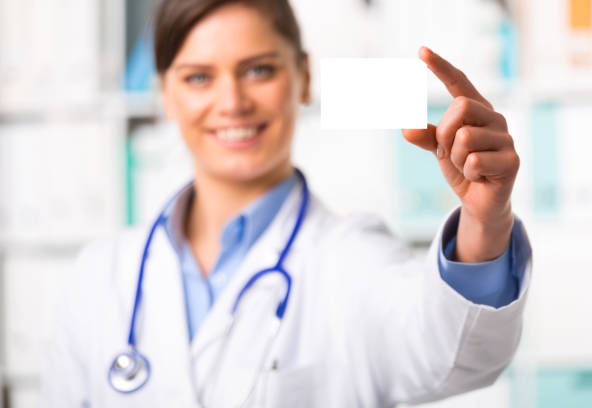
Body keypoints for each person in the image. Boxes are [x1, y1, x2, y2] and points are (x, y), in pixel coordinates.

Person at [41, 0, 532, 406]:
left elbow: (455, 352)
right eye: (198, 78)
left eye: (258, 70)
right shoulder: (100, 279)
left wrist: (485, 218)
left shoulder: (354, 259)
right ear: (165, 93)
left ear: (304, 77)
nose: (232, 101)